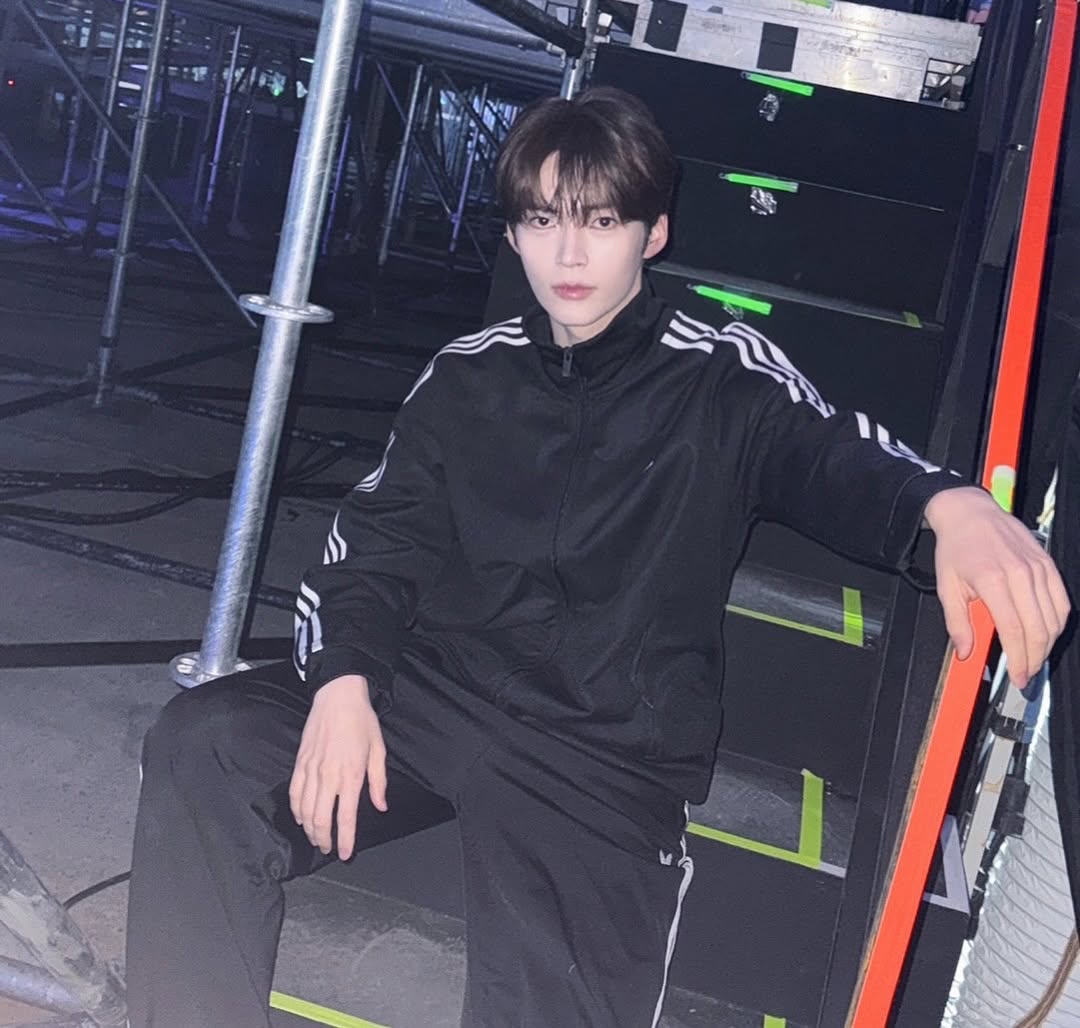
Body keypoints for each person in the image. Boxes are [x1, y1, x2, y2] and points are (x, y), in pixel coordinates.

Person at [125, 87, 1069, 1028]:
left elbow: (831, 455)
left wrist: (947, 504)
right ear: (513, 236)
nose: (569, 254)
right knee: (208, 742)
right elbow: (374, 545)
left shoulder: (718, 377)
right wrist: (343, 683)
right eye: (543, 220)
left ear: (654, 234)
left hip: (599, 756)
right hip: (433, 698)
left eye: (602, 221)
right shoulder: (468, 376)